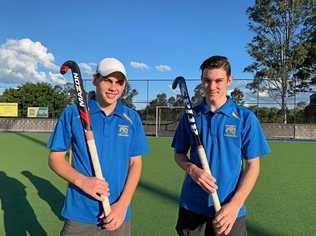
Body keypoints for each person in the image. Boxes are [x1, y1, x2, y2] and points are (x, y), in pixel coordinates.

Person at [48, 57, 149, 236]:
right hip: (80, 213)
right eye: (108, 80)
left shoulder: (131, 118)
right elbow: (55, 159)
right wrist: (83, 181)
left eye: (119, 82)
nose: (113, 88)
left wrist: (122, 205)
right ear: (95, 80)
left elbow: (135, 163)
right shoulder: (72, 114)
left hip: (117, 213)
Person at [172, 56, 271, 236]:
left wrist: (234, 205)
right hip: (192, 207)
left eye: (219, 81)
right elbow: (179, 155)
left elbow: (253, 166)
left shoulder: (245, 118)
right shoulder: (190, 116)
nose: (212, 87)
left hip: (230, 210)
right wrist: (193, 170)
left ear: (229, 80)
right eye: (207, 81)